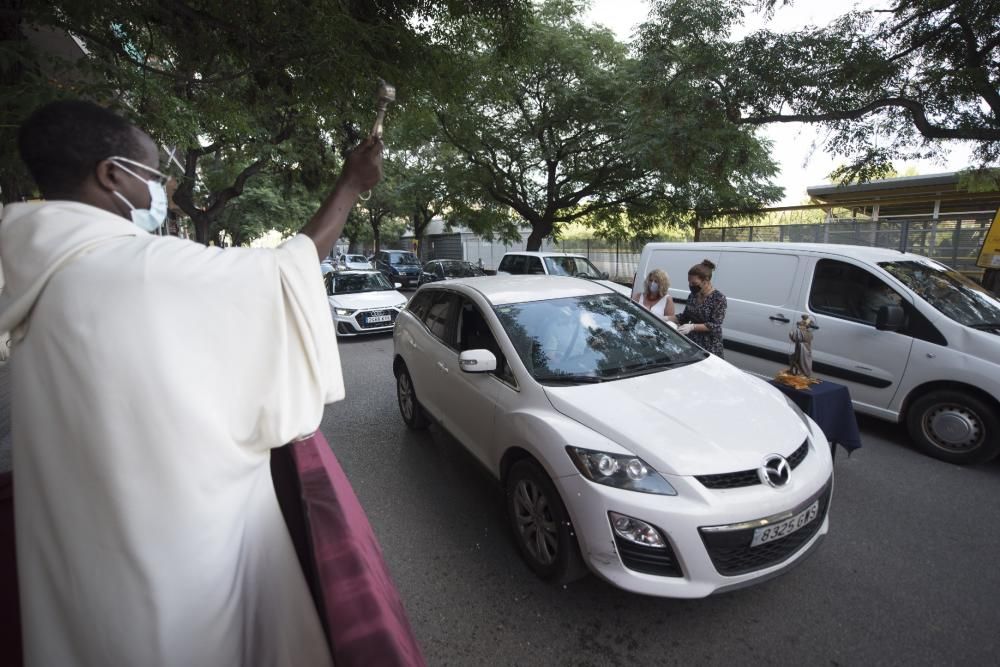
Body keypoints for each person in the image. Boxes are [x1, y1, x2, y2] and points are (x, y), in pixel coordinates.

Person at [0, 100, 382, 666]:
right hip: (178, 570)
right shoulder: (142, 268)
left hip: (76, 571)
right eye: (155, 175)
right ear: (111, 174)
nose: (165, 191)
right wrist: (351, 184)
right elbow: (285, 276)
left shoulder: (35, 273)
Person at [674, 259, 727, 357]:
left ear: (706, 280)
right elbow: (685, 317)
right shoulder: (693, 295)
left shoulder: (719, 298)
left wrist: (692, 326)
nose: (690, 285)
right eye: (689, 282)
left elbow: (715, 326)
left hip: (710, 346)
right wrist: (666, 318)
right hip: (693, 344)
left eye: (694, 283)